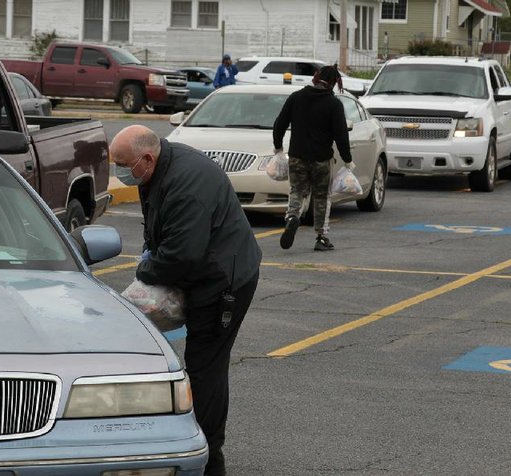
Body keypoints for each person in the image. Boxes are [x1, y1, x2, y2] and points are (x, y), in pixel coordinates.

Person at [109, 125, 262, 476]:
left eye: (122, 164)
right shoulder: (157, 170)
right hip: (206, 271)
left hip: (224, 282)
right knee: (196, 364)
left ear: (146, 158)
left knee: (205, 367)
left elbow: (182, 255)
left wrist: (146, 270)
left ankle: (209, 456)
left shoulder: (187, 185)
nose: (118, 172)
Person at [273, 64, 353, 251]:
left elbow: (279, 124)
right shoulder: (333, 104)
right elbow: (341, 135)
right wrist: (347, 160)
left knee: (297, 191)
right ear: (334, 83)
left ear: (316, 77)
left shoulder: (296, 97)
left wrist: (278, 148)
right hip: (321, 159)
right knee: (321, 196)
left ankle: (292, 217)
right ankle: (321, 236)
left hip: (297, 156)